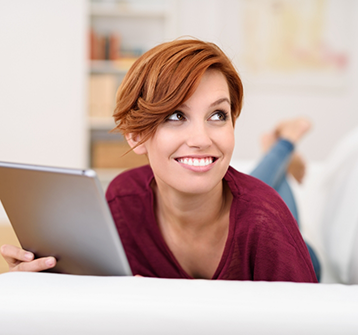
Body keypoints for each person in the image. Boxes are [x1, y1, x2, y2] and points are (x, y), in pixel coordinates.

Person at [0, 39, 317, 282]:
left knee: (267, 193)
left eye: (218, 115)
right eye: (176, 116)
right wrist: (41, 285)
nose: (202, 138)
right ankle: (281, 154)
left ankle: (284, 145)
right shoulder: (123, 202)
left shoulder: (267, 222)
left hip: (299, 253)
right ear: (135, 135)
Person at [249, 118, 321, 281]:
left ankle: (278, 153)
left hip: (299, 260)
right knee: (244, 203)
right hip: (301, 258)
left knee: (240, 202)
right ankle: (281, 150)